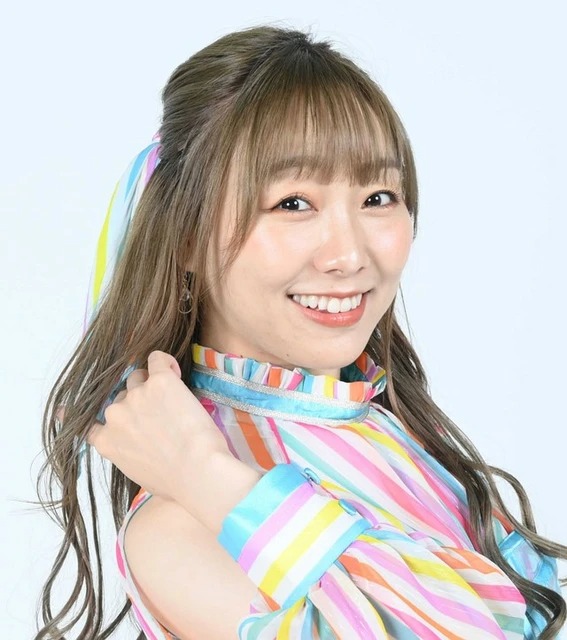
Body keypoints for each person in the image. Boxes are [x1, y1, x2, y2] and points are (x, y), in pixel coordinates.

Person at [34, 24, 566, 640]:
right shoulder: (177, 523)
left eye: (378, 197)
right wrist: (211, 477)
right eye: (292, 203)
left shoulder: (396, 428)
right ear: (186, 236)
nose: (350, 255)